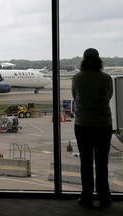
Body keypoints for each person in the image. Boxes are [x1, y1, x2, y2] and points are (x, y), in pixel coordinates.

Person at [72, 48, 113, 208]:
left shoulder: (77, 78)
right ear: (99, 60)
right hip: (103, 124)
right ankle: (104, 197)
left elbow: (75, 97)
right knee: (102, 163)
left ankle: (87, 197)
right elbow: (109, 97)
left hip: (83, 124)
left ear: (83, 60)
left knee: (86, 162)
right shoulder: (106, 78)